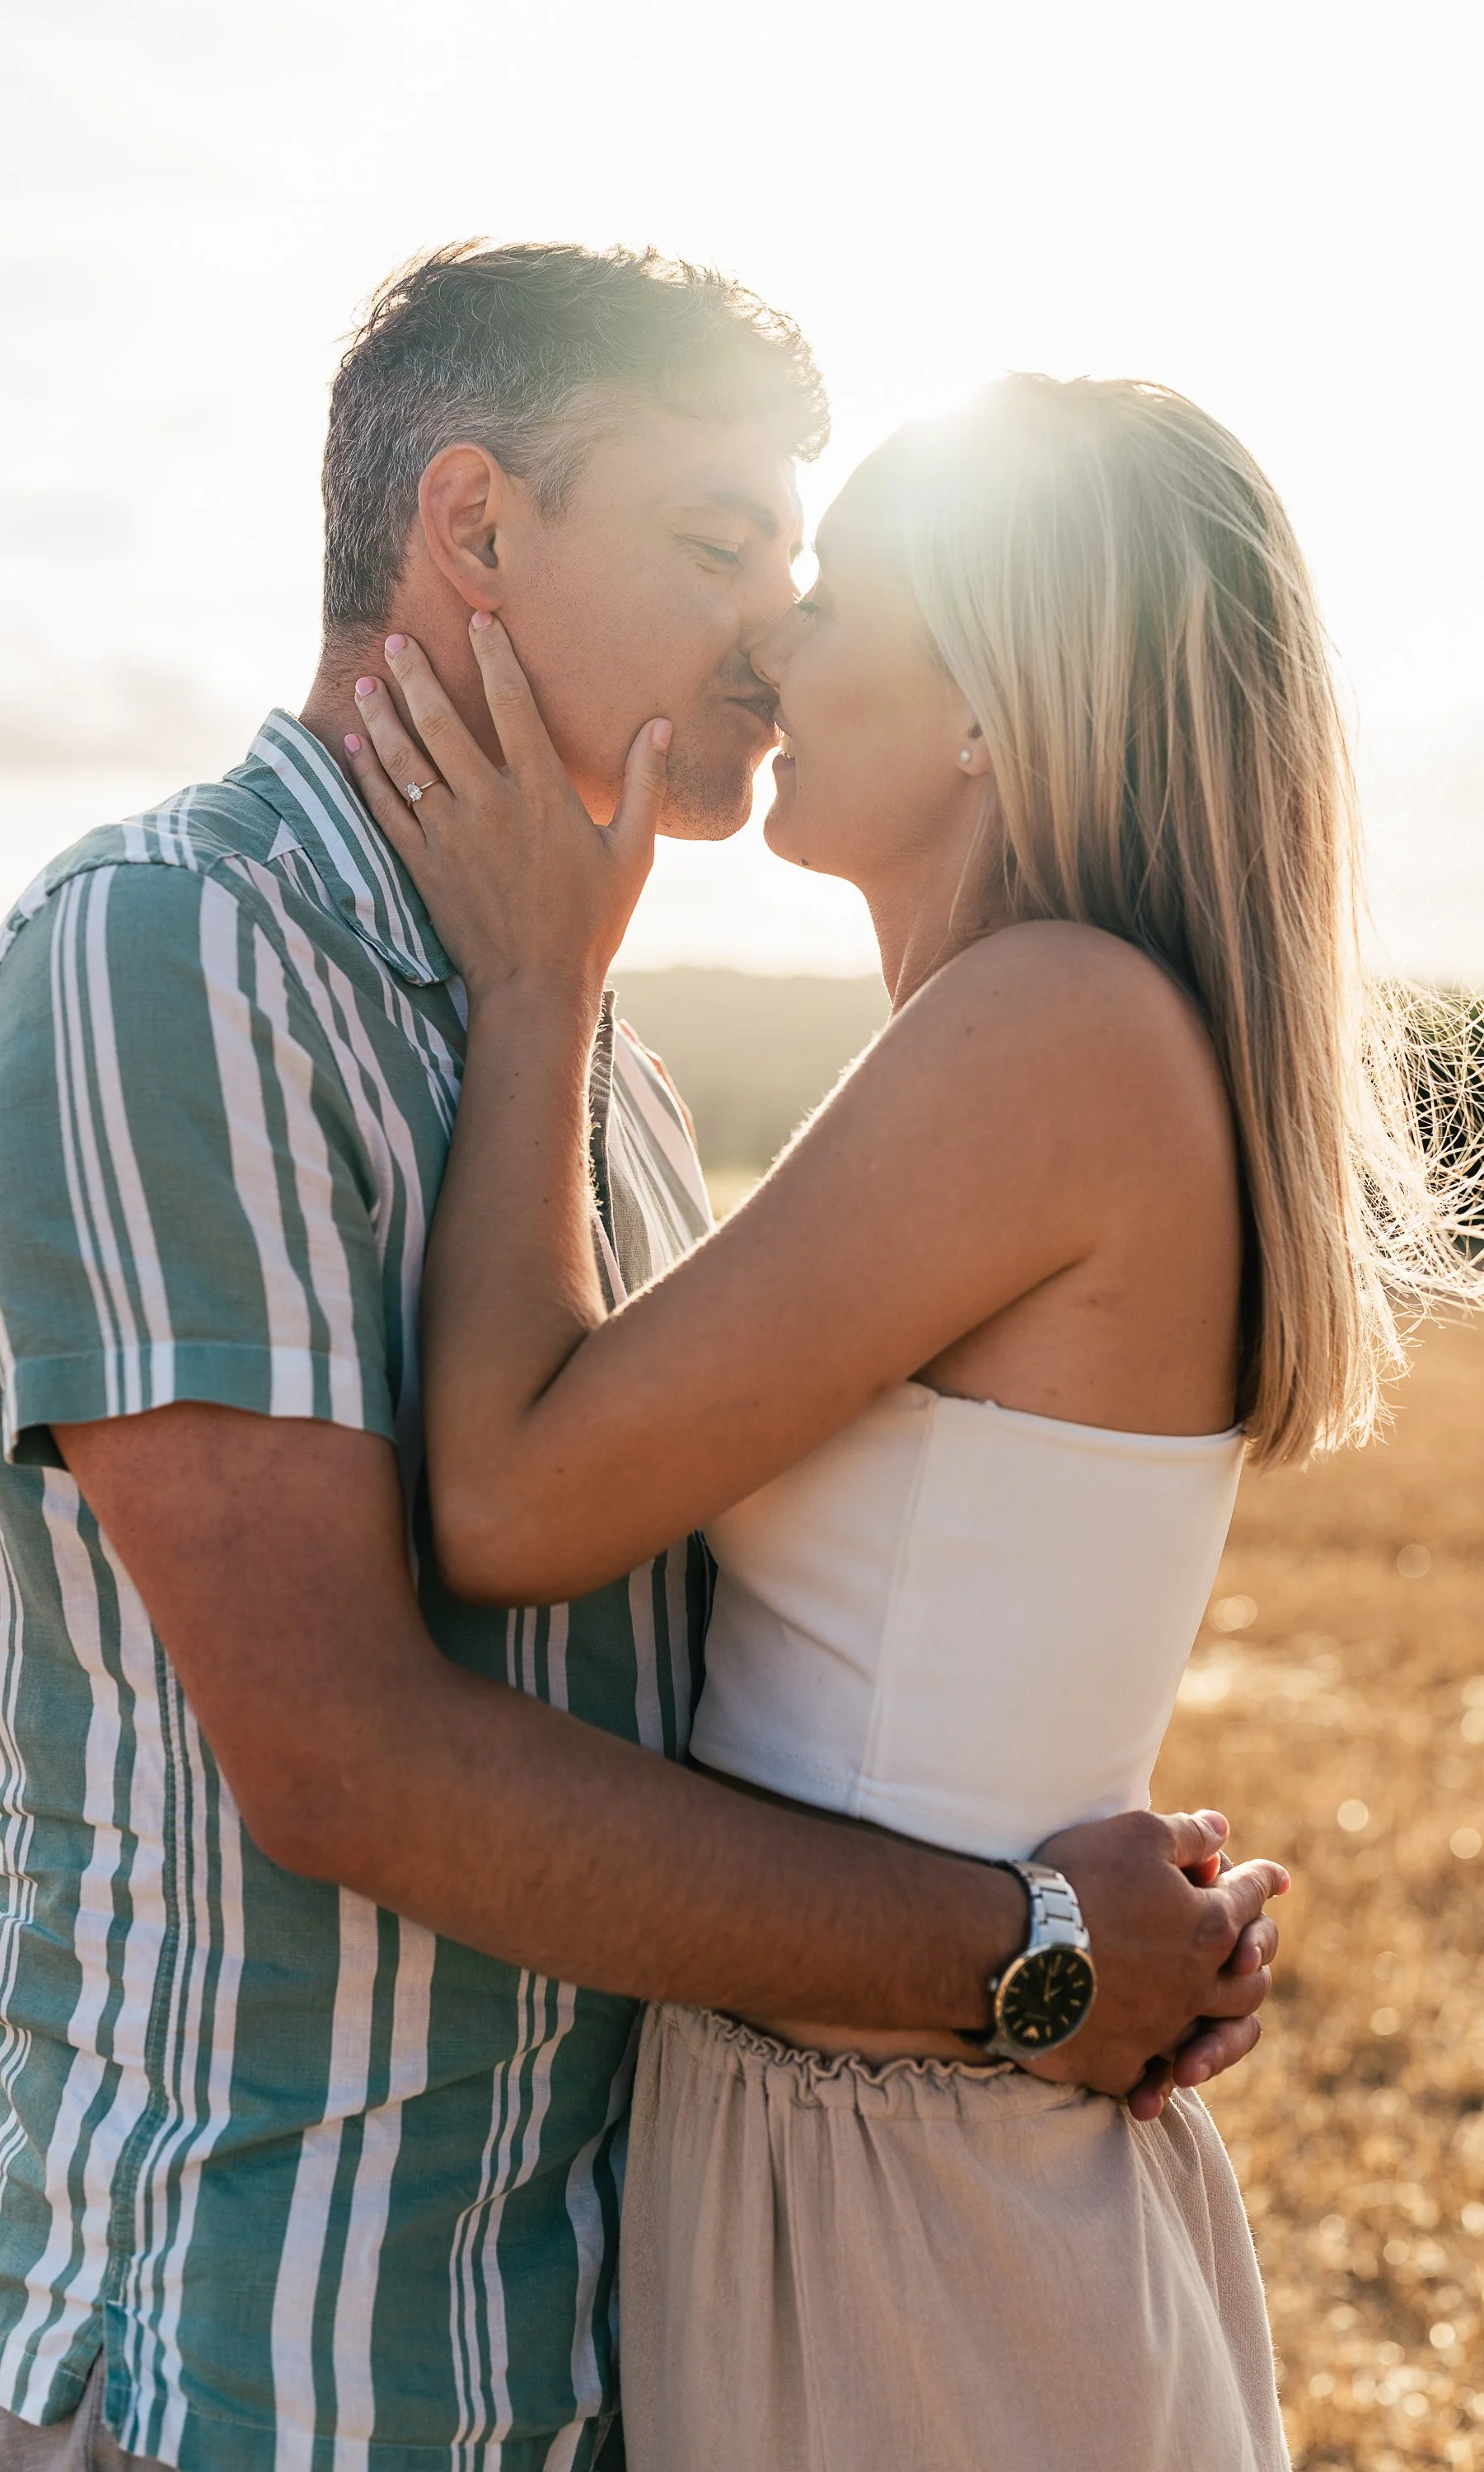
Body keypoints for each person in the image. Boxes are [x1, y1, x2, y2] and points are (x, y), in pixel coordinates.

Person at [0, 251, 1282, 2472]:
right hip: (252, 2355)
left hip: (583, 2346)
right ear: (471, 531)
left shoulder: (587, 1052)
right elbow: (345, 1760)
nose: (772, 621)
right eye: (720, 541)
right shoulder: (171, 959)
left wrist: (1097, 1897)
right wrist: (1031, 1944)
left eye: (809, 563)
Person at [342, 368, 1479, 2469]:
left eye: (840, 596)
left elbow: (503, 1498)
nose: (774, 640)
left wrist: (539, 983)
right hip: (886, 2146)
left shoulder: (1047, 1025)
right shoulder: (1058, 1029)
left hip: (911, 2212)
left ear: (989, 706)